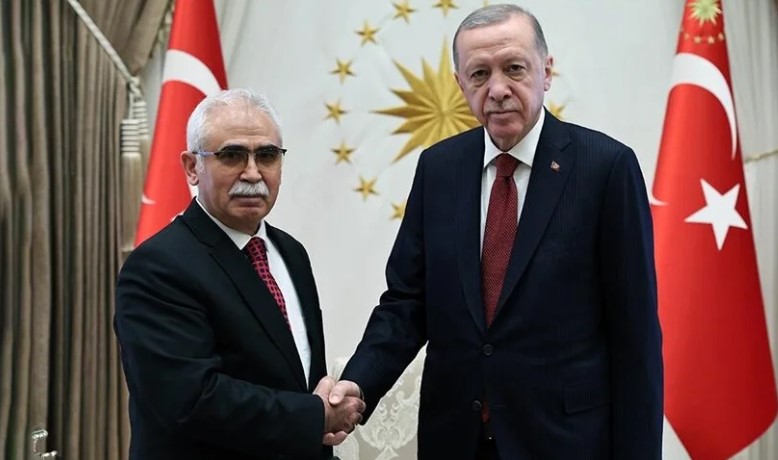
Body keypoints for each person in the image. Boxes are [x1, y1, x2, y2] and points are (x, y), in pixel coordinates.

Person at [330, 4, 663, 459]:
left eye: (514, 69)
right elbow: (407, 303)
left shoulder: (605, 168)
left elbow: (635, 337)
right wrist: (358, 382)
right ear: (460, 84)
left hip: (564, 444)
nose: (498, 89)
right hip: (456, 442)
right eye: (480, 74)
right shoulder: (438, 169)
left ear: (546, 71)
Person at [114, 88, 364, 460]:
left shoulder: (291, 253)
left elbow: (296, 375)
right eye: (232, 155)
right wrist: (316, 416)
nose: (252, 173)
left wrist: (326, 406)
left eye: (267, 155)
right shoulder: (156, 266)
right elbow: (190, 400)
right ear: (192, 167)